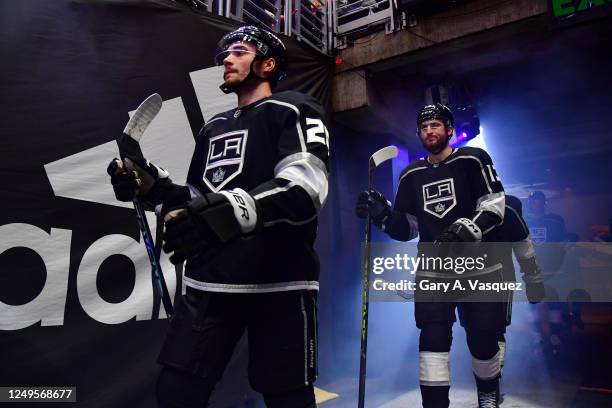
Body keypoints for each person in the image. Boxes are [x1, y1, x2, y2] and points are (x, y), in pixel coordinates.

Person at [107, 25, 330, 408]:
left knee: (287, 398)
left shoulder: (294, 107)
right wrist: (149, 185)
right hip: (212, 280)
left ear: (267, 63)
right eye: (226, 54)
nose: (226, 59)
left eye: (239, 51)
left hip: (280, 281)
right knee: (176, 393)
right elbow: (198, 200)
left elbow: (305, 187)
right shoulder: (213, 127)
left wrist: (232, 210)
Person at [356, 103, 507, 407]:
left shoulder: (473, 159)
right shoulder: (412, 174)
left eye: (436, 125)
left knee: (483, 337)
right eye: (424, 128)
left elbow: (494, 206)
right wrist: (384, 215)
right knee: (432, 340)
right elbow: (408, 228)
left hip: (477, 265)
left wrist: (464, 231)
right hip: (433, 268)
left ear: (450, 130)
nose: (429, 131)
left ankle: (488, 391)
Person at [483, 195, 545, 401]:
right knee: (489, 333)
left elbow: (523, 246)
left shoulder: (507, 205)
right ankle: (492, 384)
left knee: (491, 333)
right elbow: (524, 248)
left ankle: (493, 383)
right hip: (488, 279)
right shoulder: (509, 206)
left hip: (493, 279)